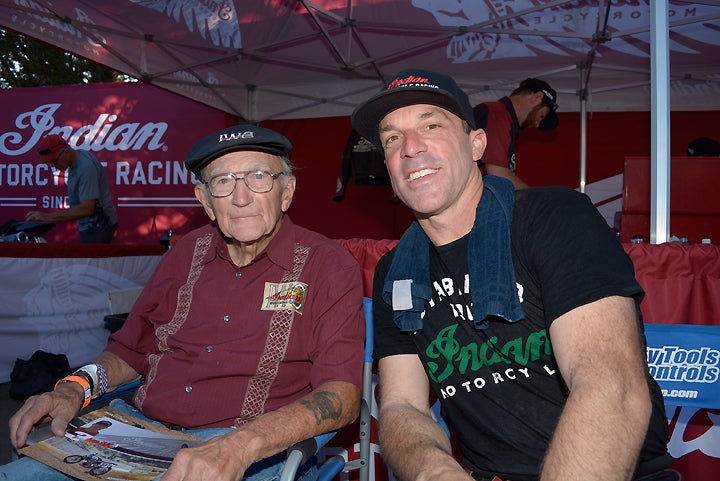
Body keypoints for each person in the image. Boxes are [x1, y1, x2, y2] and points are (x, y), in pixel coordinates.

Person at [351, 69, 674, 481]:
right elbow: (403, 406)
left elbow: (610, 387)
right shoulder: (395, 272)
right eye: (391, 138)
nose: (410, 148)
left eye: (431, 125)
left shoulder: (554, 218)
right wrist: (437, 472)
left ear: (476, 144)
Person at [3, 124, 365, 481]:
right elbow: (129, 351)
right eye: (223, 182)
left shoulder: (326, 266)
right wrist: (73, 388)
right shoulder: (184, 255)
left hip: (249, 448)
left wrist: (238, 446)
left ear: (286, 192)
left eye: (258, 177)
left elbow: (343, 394)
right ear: (205, 200)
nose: (241, 198)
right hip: (139, 435)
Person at [26, 134, 119, 243]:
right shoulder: (78, 159)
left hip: (98, 226)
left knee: (89, 260)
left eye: (54, 161)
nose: (54, 165)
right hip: (95, 226)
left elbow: (86, 209)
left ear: (65, 151)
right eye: (51, 163)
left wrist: (46, 217)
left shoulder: (85, 168)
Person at [473, 77, 559, 189]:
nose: (537, 125)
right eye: (541, 116)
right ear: (537, 97)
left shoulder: (504, 119)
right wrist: (535, 199)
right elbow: (497, 174)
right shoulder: (497, 114)